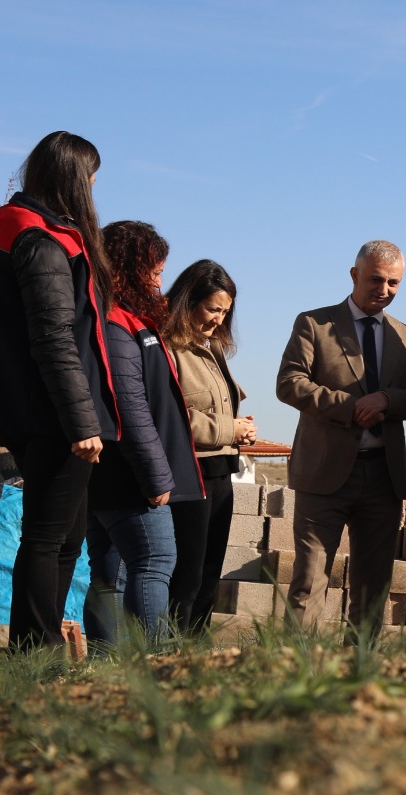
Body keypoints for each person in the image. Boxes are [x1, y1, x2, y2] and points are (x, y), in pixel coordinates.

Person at [0, 131, 120, 650]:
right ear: (75, 179)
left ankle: (40, 652)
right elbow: (54, 337)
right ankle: (35, 656)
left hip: (20, 406)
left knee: (67, 535)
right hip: (53, 411)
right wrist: (82, 422)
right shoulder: (41, 238)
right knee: (48, 537)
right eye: (92, 178)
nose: (94, 187)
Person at [277, 240, 406, 633]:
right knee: (309, 582)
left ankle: (360, 667)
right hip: (322, 475)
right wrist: (350, 406)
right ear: (354, 275)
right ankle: (297, 667)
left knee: (373, 588)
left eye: (394, 283)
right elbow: (289, 383)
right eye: (376, 279)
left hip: (382, 477)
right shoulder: (314, 324)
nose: (385, 289)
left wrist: (387, 400)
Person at [83, 221, 202, 645]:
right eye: (153, 271)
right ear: (128, 267)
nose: (157, 281)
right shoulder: (116, 323)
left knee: (109, 572)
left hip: (109, 473)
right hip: (128, 475)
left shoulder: (114, 317)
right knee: (154, 561)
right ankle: (152, 665)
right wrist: (155, 476)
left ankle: (104, 669)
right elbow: (129, 405)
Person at [166, 260, 253, 633]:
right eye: (213, 309)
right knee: (186, 573)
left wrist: (240, 429)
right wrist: (230, 429)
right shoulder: (168, 347)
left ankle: (194, 649)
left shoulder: (212, 348)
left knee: (208, 572)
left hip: (221, 471)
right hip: (189, 473)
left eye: (225, 312)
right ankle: (169, 650)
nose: (219, 319)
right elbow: (173, 416)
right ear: (188, 301)